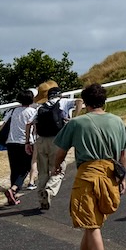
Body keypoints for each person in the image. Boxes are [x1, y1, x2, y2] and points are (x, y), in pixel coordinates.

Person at [52, 83, 126, 250]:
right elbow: (123, 153)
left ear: (85, 102)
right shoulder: (117, 121)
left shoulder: (77, 123)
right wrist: (122, 177)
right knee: (92, 224)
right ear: (104, 101)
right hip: (110, 175)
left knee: (91, 225)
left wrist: (56, 166)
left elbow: (60, 152)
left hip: (88, 176)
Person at [29, 81, 75, 211]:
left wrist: (29, 141)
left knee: (43, 171)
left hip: (41, 141)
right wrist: (74, 118)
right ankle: (49, 190)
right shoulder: (62, 102)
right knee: (58, 169)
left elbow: (30, 123)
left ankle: (41, 198)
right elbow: (79, 101)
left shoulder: (40, 108)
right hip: (57, 140)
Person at [0, 90, 37, 205]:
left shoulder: (12, 110)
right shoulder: (33, 111)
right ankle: (14, 189)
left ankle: (12, 196)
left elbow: (3, 125)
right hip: (26, 142)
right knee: (26, 167)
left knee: (14, 169)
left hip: (11, 142)